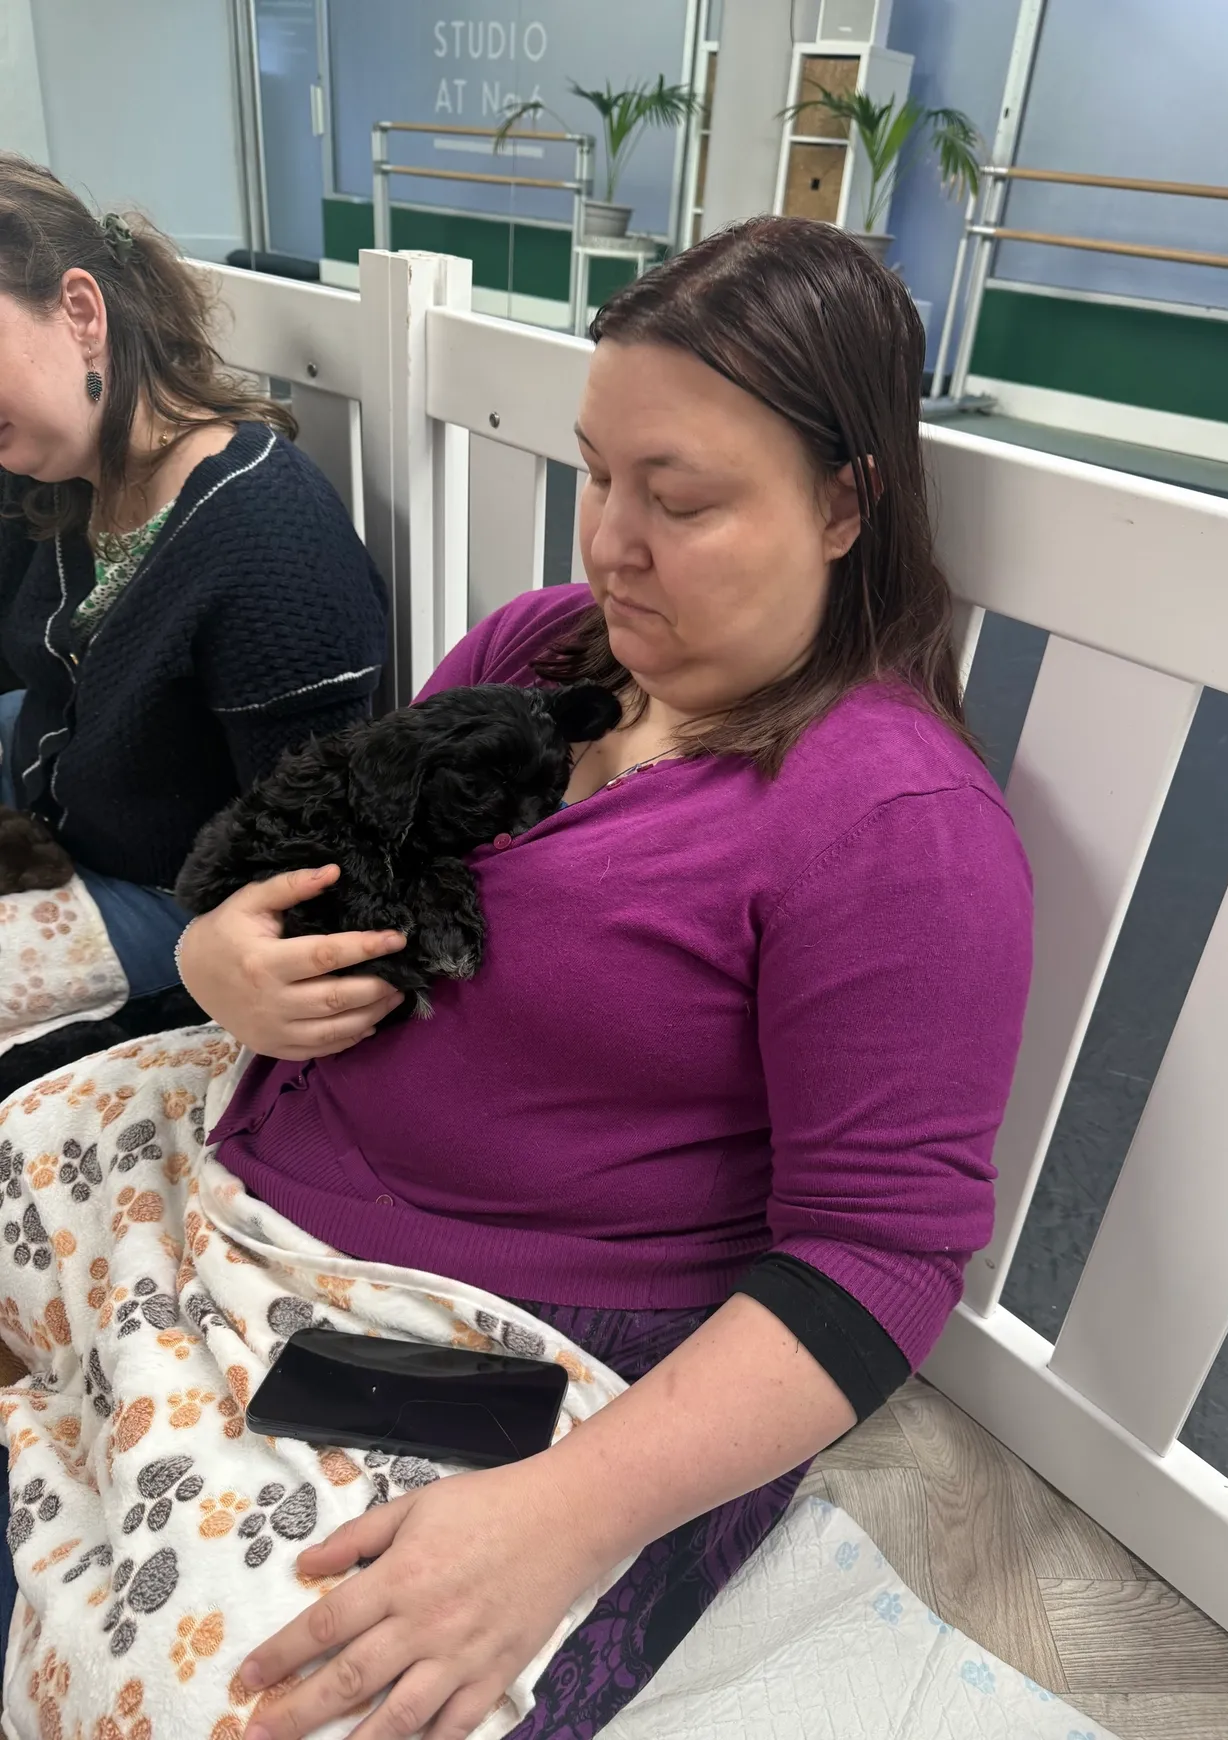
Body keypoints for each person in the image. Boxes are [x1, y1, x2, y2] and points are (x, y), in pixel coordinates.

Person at [0, 216, 1032, 1740]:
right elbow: (329, 847)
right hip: (235, 1160)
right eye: (597, 473)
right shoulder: (538, 653)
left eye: (674, 500)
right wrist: (223, 954)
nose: (607, 540)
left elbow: (876, 1262)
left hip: (492, 1329)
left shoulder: (891, 829)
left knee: (246, 1701)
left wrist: (561, 1518)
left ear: (843, 504)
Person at [0, 154, 388, 1013]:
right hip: (52, 794)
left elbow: (309, 874)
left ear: (80, 311)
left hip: (164, 895)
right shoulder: (59, 468)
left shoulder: (270, 551)